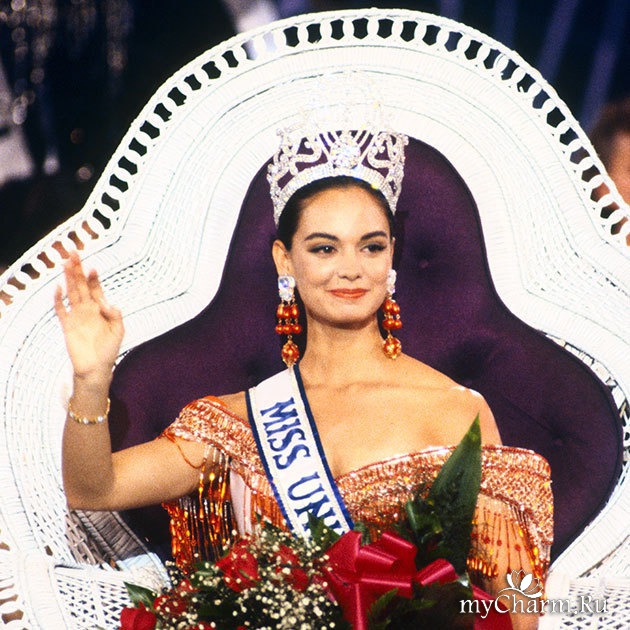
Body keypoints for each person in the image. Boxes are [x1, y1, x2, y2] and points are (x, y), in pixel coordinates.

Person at [56, 125, 552, 629]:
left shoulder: (454, 410)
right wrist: (92, 379)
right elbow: (93, 489)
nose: (351, 269)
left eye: (371, 247)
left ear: (392, 256)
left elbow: (520, 601)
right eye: (324, 249)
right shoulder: (238, 424)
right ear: (284, 260)